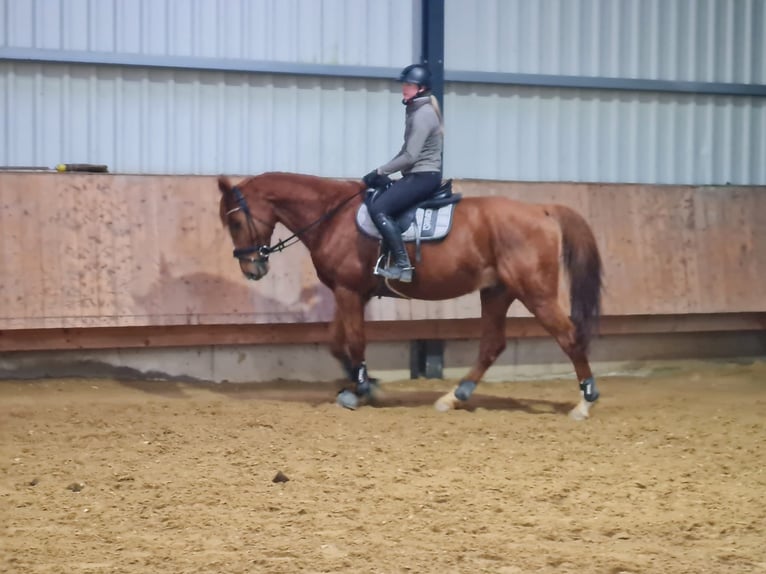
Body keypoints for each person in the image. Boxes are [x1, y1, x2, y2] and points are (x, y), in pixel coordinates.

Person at [362, 63, 444, 283]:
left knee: (379, 209)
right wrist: (385, 172)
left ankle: (403, 265)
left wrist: (379, 170)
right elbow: (404, 152)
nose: (404, 88)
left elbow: (410, 156)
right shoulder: (416, 111)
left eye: (409, 85)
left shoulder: (422, 115)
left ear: (421, 88)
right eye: (405, 84)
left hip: (423, 177)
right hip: (416, 175)